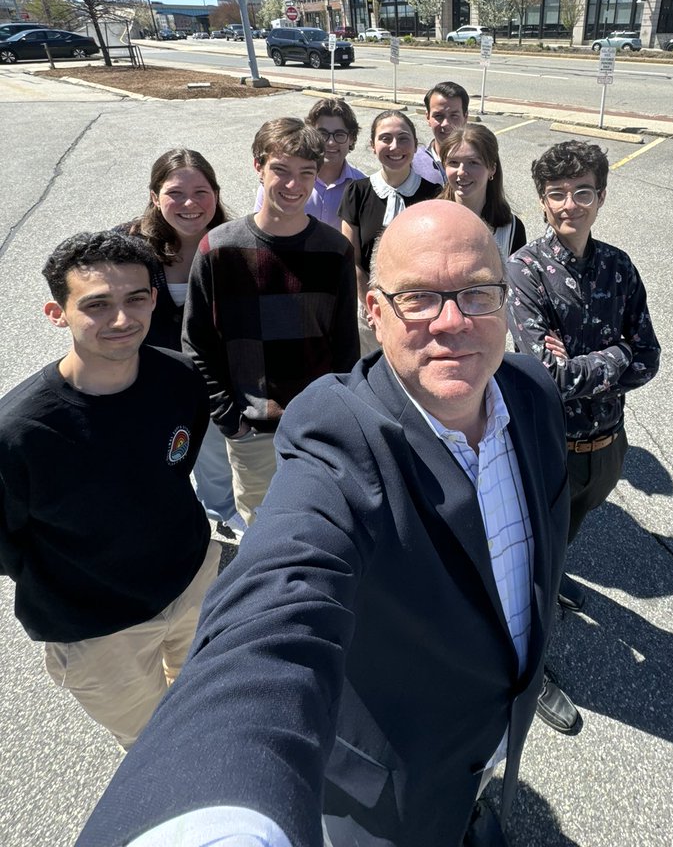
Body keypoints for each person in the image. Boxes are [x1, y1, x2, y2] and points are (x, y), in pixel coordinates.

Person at [77, 202, 570, 847]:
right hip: (389, 789)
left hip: (497, 731)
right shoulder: (337, 430)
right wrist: (214, 816)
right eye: (419, 298)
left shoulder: (530, 392)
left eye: (477, 292)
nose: (453, 322)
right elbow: (277, 599)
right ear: (374, 311)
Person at [0, 231, 219, 750]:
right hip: (98, 631)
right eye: (97, 304)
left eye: (136, 298)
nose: (122, 319)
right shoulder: (18, 433)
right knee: (153, 750)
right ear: (58, 313)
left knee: (208, 710)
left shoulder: (182, 378)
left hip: (192, 584)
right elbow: (6, 547)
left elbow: (177, 465)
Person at [507, 139, 661, 734]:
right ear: (543, 203)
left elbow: (649, 359)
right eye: (557, 194)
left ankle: (550, 582)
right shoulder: (525, 270)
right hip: (549, 451)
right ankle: (529, 672)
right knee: (530, 567)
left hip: (606, 447)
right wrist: (613, 357)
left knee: (562, 542)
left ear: (601, 196)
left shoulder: (619, 266)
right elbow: (546, 377)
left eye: (583, 192)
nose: (570, 204)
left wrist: (588, 362)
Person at [183, 118, 359, 528]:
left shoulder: (334, 251)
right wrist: (231, 420)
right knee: (262, 533)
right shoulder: (219, 249)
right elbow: (198, 344)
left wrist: (339, 417)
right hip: (252, 433)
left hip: (318, 428)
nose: (293, 185)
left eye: (306, 173)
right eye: (280, 169)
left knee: (319, 525)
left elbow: (345, 345)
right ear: (258, 166)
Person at [122, 148, 243, 539]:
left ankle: (220, 510)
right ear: (155, 196)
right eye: (175, 192)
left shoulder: (235, 245)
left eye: (201, 191)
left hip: (211, 374)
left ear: (216, 194)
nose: (190, 204)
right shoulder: (128, 247)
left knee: (212, 449)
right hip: (147, 374)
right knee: (151, 451)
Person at [339, 110, 441, 352]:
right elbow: (351, 260)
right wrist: (372, 307)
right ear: (373, 146)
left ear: (416, 145)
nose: (395, 146)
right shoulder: (357, 192)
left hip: (421, 311)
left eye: (403, 138)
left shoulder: (433, 194)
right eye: (385, 138)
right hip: (369, 312)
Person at [254, 97, 365, 229]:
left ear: (351, 139)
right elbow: (259, 227)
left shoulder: (362, 186)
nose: (330, 142)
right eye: (322, 134)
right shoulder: (280, 183)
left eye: (339, 134)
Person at [438, 123, 527, 260]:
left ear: (492, 168)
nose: (461, 172)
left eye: (473, 163)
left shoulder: (512, 229)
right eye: (453, 162)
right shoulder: (430, 218)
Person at [413, 80, 469, 183]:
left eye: (454, 116)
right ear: (428, 117)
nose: (446, 124)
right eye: (438, 116)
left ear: (465, 117)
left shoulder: (477, 163)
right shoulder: (413, 163)